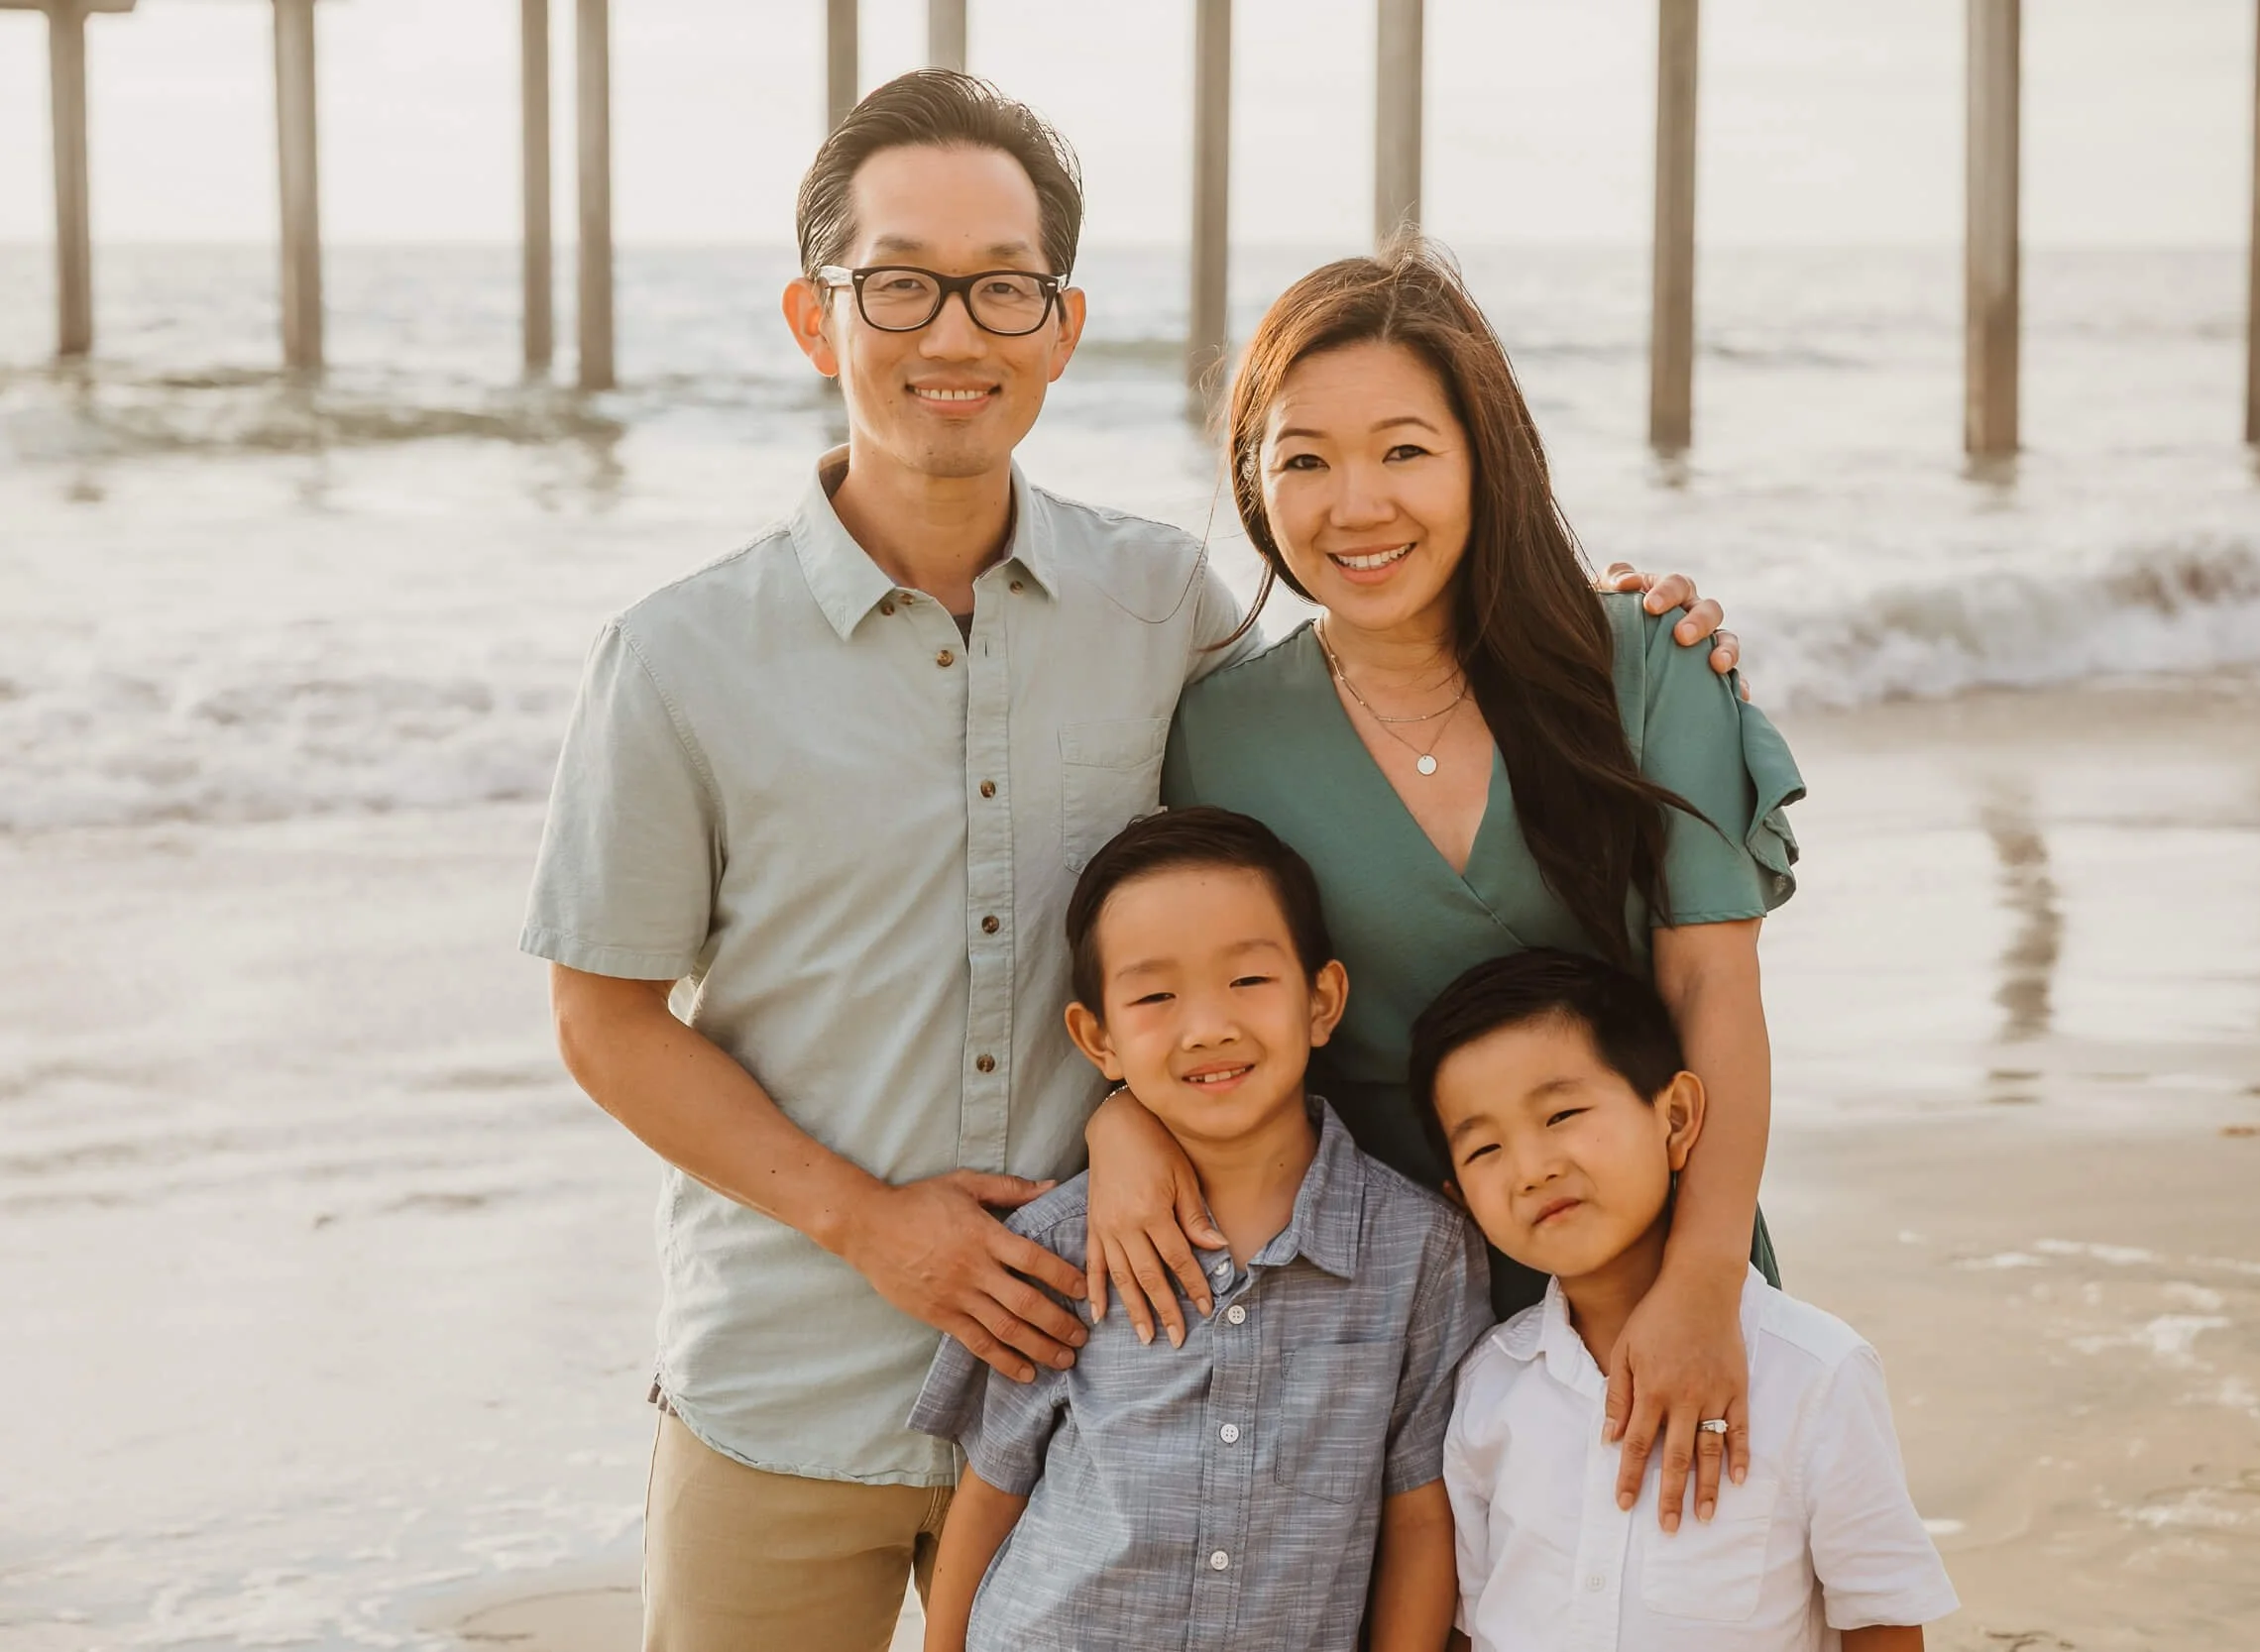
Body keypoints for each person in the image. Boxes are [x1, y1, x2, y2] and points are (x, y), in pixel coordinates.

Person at [521, 70, 1737, 1651]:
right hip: (792, 1383)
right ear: (817, 318)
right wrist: (874, 1223)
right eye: (899, 283)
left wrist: (1638, 621)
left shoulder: (1163, 607)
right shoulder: (678, 656)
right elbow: (603, 1018)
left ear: (1063, 327)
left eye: (1002, 286)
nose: (954, 330)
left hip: (1144, 1389)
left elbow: (1339, 742)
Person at [1095, 239, 1802, 1538]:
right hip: (1371, 1293)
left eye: (1405, 449)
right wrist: (1120, 1123)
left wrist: (1702, 1283)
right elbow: (1203, 1002)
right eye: (1304, 459)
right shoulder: (1218, 734)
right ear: (1252, 479)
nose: (1356, 505)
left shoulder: (1647, 662)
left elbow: (1714, 987)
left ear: (1486, 455)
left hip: (1648, 1255)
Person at [909, 807, 1489, 1652]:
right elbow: (993, 1489)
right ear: (1098, 1038)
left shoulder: (1421, 1251)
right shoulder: (1057, 1244)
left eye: (1248, 980)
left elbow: (1420, 1513)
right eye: (1155, 995)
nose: (1209, 1025)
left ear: (1321, 1000)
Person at [1412, 948, 1958, 1651]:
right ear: (1460, 1199)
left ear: (1675, 1117)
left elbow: (1881, 1621)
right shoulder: (1488, 1384)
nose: (1532, 1168)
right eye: (1484, 1149)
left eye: (1563, 1113)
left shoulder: (1813, 1373)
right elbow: (1475, 1620)